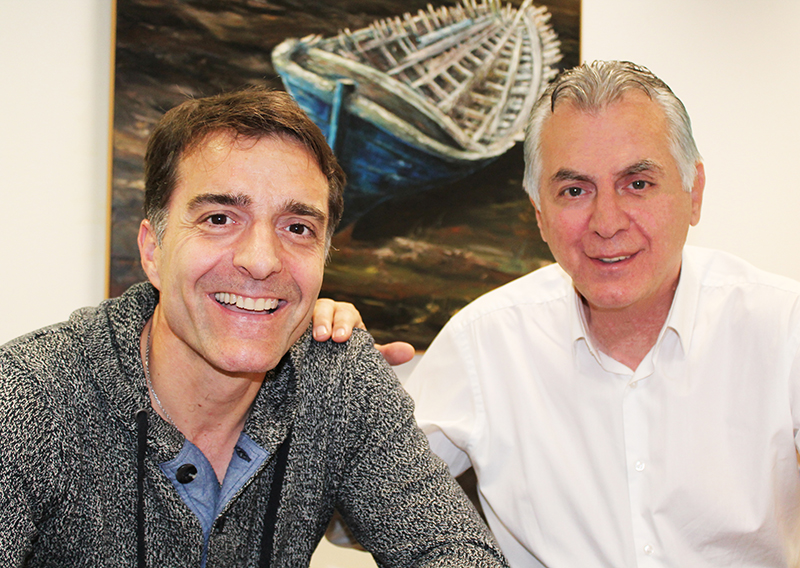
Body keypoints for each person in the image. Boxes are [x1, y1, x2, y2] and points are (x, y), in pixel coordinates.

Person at [317, 61, 800, 567]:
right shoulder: (485, 342)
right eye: (575, 191)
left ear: (693, 192)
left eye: (637, 184)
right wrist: (345, 402)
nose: (607, 223)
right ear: (539, 213)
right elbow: (354, 522)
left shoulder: (782, 326)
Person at [0, 88, 508, 568]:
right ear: (153, 251)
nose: (262, 261)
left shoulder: (337, 375)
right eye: (219, 218)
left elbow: (452, 550)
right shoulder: (30, 394)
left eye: (297, 228)